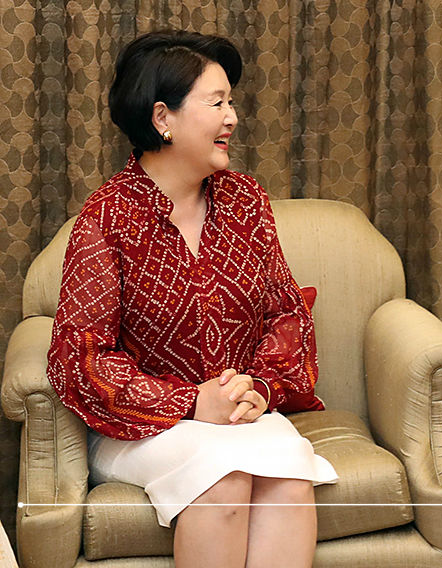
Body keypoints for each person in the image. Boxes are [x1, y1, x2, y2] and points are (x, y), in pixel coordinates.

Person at [47, 30, 337, 568]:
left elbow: (285, 313)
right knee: (223, 480)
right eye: (217, 102)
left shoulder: (246, 201)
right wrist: (188, 403)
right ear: (163, 118)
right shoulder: (107, 219)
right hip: (142, 425)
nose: (232, 118)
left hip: (236, 416)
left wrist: (262, 387)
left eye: (232, 103)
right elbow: (79, 360)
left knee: (289, 480)